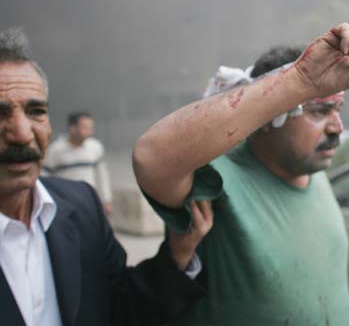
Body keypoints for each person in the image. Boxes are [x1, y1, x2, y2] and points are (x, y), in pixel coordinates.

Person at [132, 0, 349, 325]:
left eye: (338, 109)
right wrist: (299, 81)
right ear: (270, 117)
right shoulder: (219, 178)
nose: (337, 128)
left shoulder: (314, 171)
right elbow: (150, 159)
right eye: (319, 111)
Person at [0, 28, 213, 326]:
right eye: (0, 113)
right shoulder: (60, 154)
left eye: (36, 111)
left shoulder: (81, 206)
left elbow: (121, 306)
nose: (22, 135)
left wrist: (177, 253)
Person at [44, 111, 113, 214]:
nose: (90, 131)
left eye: (91, 127)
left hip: (90, 201)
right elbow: (45, 177)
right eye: (85, 127)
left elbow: (102, 176)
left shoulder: (95, 147)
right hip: (65, 203)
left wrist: (106, 199)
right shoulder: (55, 150)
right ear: (73, 128)